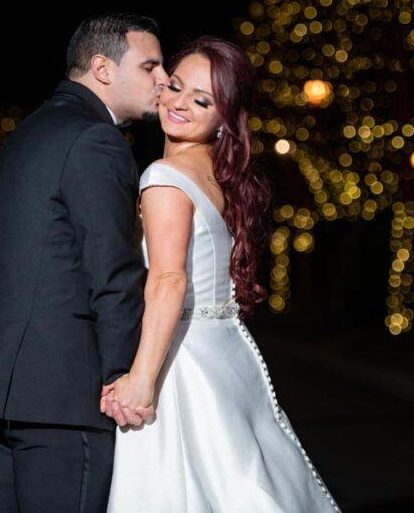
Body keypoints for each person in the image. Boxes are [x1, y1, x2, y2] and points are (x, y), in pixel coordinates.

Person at [101, 36, 341, 512]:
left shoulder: (164, 176)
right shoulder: (218, 173)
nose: (180, 104)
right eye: (175, 86)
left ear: (225, 118)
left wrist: (142, 380)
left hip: (181, 362)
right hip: (225, 354)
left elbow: (169, 280)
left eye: (202, 100)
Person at [0, 13, 167, 512]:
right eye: (150, 65)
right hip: (63, 397)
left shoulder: (27, 132)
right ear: (102, 68)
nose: (163, 79)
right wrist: (123, 379)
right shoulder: (97, 139)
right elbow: (112, 273)